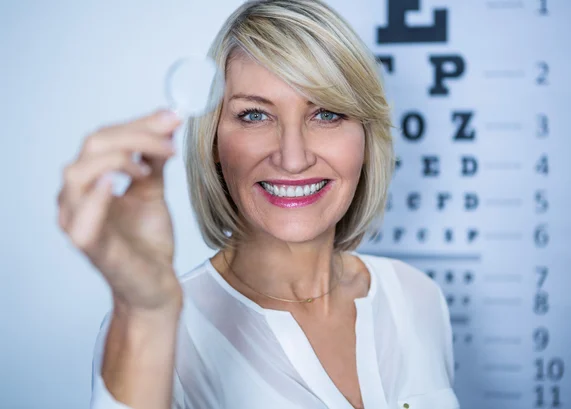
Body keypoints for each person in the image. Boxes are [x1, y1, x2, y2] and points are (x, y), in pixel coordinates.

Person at [57, 0, 460, 408]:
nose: (293, 157)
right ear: (213, 140)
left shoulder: (417, 297)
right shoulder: (153, 328)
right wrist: (147, 314)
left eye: (326, 114)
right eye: (254, 115)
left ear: (366, 140)